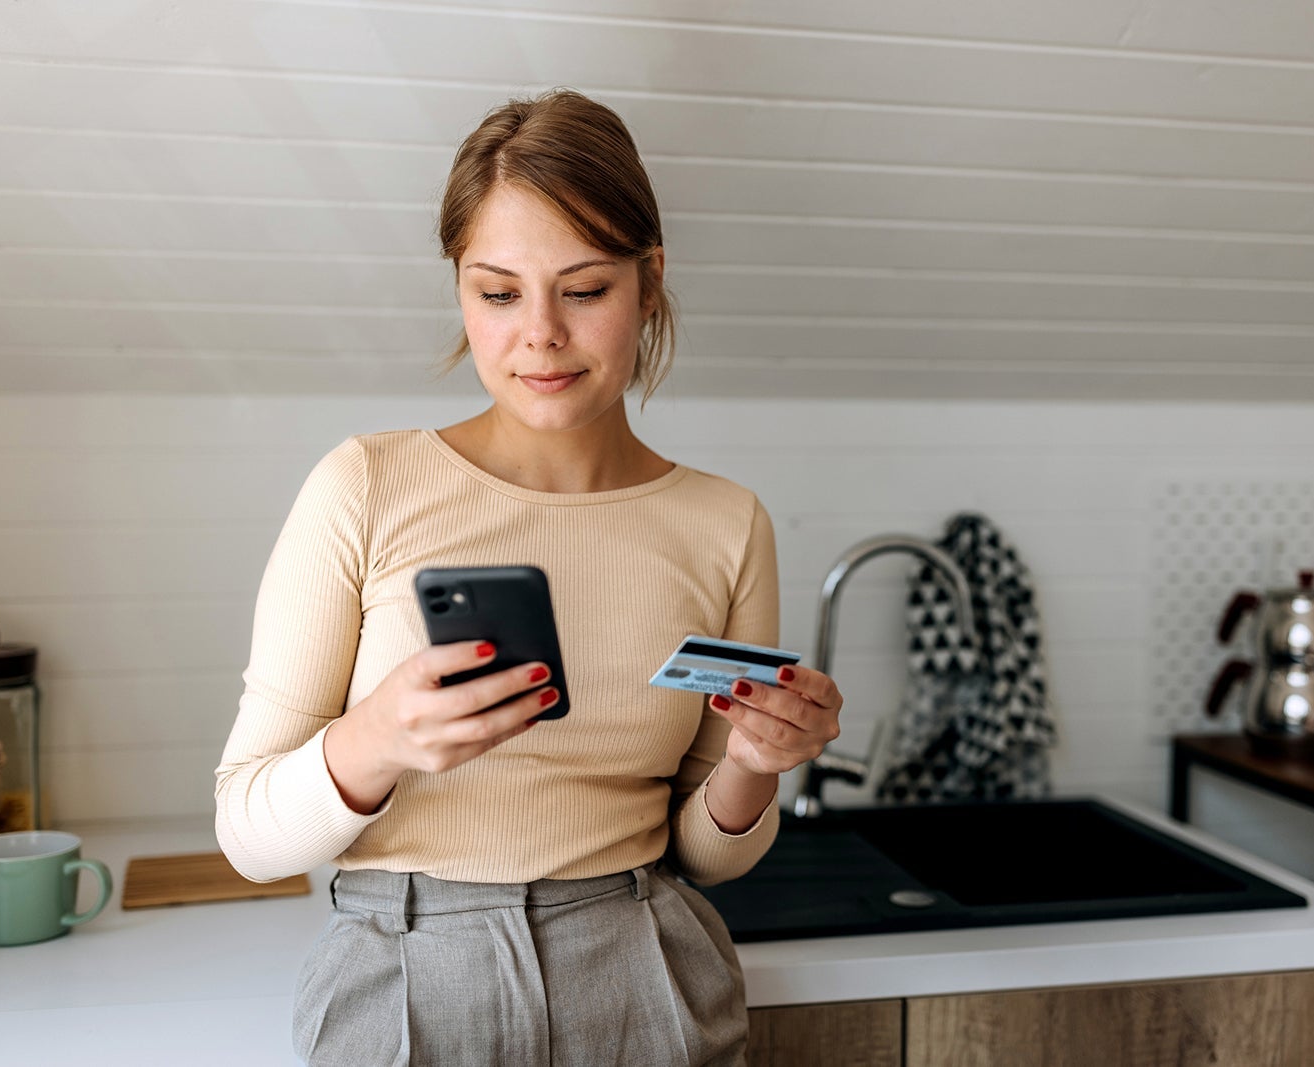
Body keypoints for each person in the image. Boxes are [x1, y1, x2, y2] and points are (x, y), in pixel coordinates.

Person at [213, 88, 844, 1067]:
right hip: (409, 975)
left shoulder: (725, 523)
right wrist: (374, 739)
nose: (539, 333)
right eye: (497, 292)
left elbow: (709, 851)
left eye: (584, 289)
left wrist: (755, 768)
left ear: (649, 281)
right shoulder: (364, 485)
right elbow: (248, 831)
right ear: (459, 287)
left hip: (646, 966)